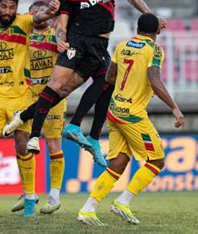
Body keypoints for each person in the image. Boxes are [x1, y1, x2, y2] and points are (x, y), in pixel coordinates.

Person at [2, 0, 165, 156]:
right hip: (77, 41)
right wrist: (60, 39)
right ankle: (39, 135)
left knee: (76, 88)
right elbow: (62, 24)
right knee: (60, 84)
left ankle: (25, 116)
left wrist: (152, 17)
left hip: (98, 45)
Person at [77, 13, 185, 226]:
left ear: (137, 29)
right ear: (158, 32)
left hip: (115, 110)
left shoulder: (122, 45)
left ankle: (87, 209)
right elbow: (155, 80)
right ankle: (123, 202)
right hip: (132, 115)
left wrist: (134, 85)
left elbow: (109, 77)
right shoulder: (154, 50)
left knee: (118, 163)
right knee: (157, 160)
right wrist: (174, 108)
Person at [61, 0, 146, 166]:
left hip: (97, 41)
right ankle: (70, 125)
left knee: (106, 81)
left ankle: (91, 135)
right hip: (82, 41)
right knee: (97, 80)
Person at [0, 0, 59, 217]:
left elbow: (40, 17)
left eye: (12, 7)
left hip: (21, 95)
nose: (8, 12)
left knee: (21, 143)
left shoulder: (24, 22)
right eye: (4, 7)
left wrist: (51, 9)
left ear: (17, 7)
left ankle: (29, 196)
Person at [11, 1, 67, 214]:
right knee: (22, 143)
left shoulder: (56, 35)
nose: (37, 17)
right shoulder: (23, 36)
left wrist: (64, 45)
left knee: (53, 144)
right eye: (34, 14)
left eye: (41, 14)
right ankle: (29, 194)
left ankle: (54, 195)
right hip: (28, 96)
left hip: (52, 98)